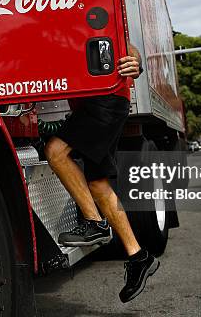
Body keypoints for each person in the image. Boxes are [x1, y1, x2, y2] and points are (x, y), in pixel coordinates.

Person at [44, 44, 159, 303]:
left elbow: (121, 40)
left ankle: (95, 223)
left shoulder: (80, 8)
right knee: (97, 183)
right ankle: (139, 257)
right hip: (99, 101)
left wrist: (135, 62)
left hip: (103, 98)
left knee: (56, 151)